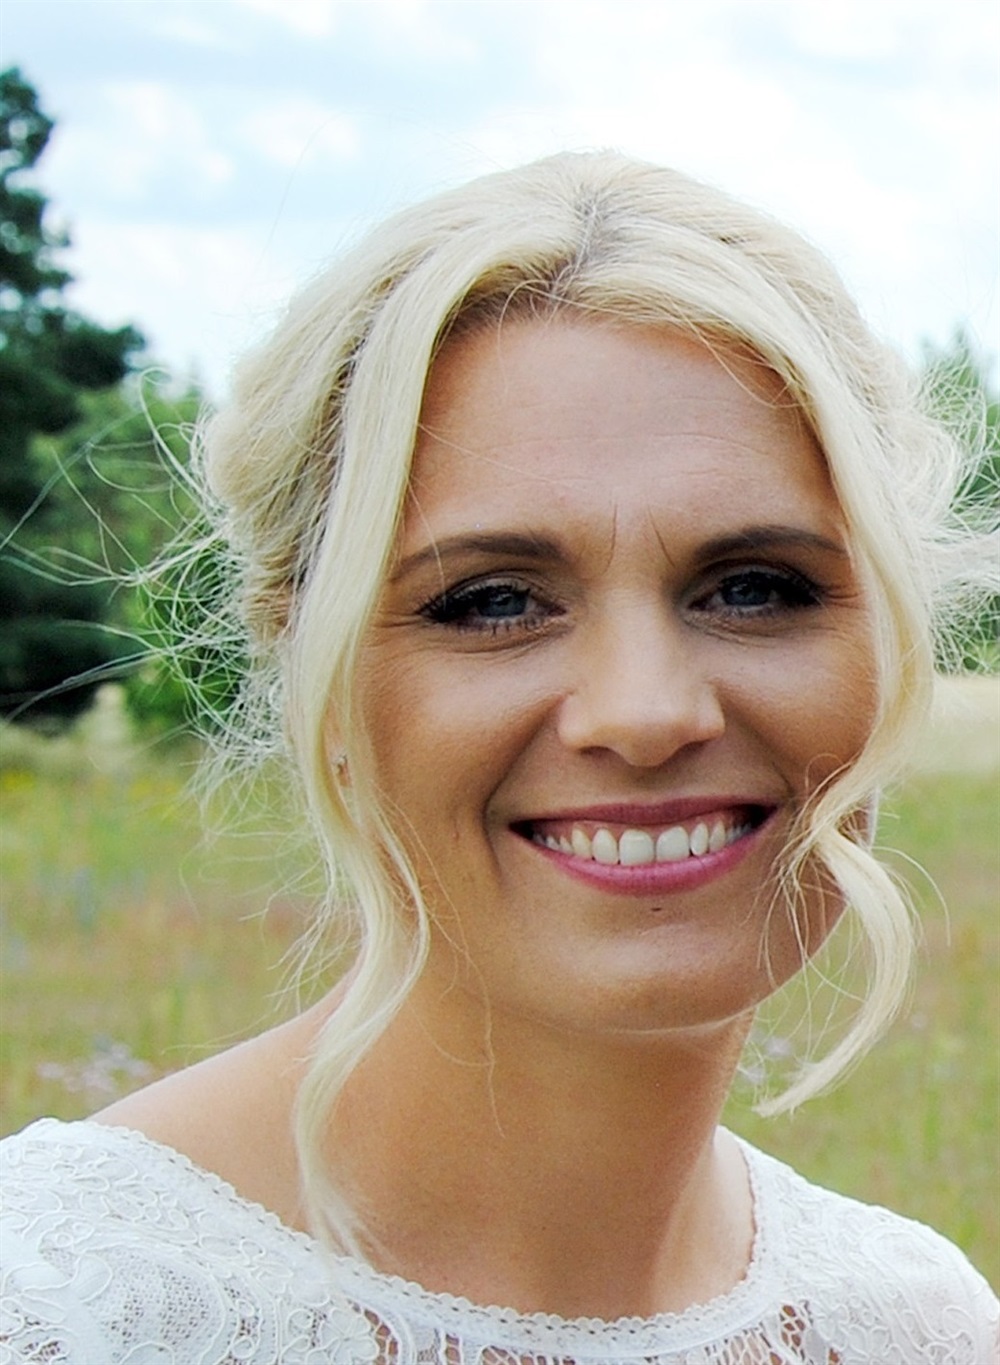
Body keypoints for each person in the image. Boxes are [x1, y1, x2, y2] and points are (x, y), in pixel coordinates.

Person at [1, 151, 996, 1363]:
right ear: (312, 672)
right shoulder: (59, 1312)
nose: (644, 713)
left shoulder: (916, 1326)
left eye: (754, 587)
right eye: (492, 602)